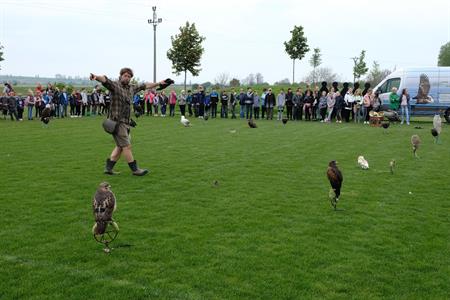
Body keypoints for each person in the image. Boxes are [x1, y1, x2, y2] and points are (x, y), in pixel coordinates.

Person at [90, 67, 166, 176]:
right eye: (125, 75)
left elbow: (145, 85)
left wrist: (159, 83)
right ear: (121, 75)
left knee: (120, 147)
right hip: (117, 122)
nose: (127, 78)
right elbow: (105, 80)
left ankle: (109, 168)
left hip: (126, 122)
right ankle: (135, 170)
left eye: (129, 76)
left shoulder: (131, 88)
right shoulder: (115, 86)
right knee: (126, 146)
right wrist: (96, 77)